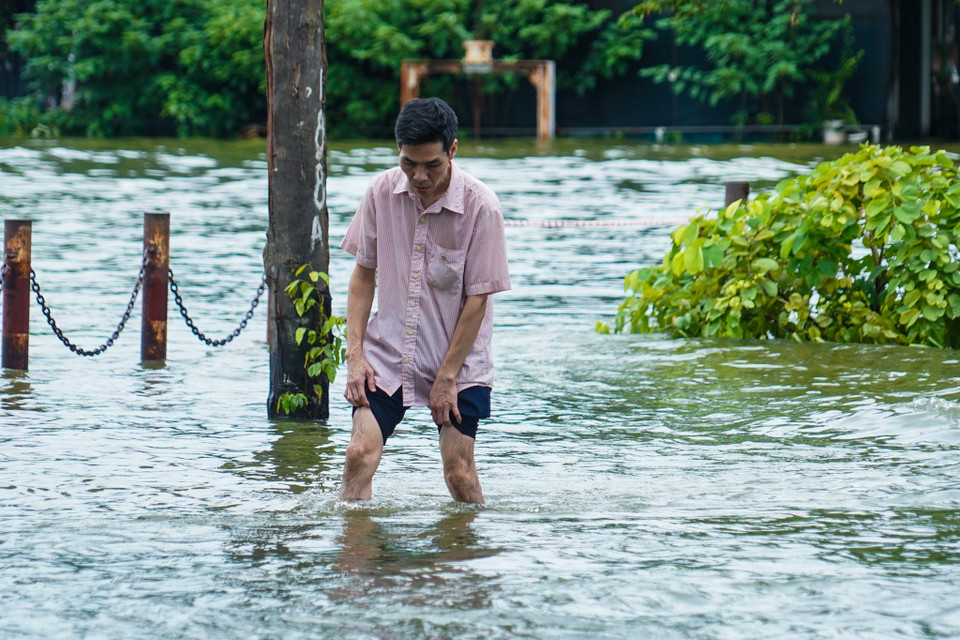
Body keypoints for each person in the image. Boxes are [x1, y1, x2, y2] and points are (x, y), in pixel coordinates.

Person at [338, 97, 511, 504]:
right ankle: (355, 563)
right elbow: (363, 278)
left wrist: (447, 378)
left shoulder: (482, 207)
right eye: (408, 163)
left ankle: (465, 562)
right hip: (389, 353)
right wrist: (355, 356)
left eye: (431, 165)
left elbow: (477, 302)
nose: (419, 176)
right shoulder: (380, 192)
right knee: (358, 456)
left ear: (452, 150)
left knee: (459, 474)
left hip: (460, 361)